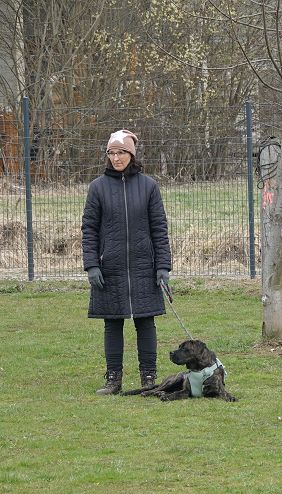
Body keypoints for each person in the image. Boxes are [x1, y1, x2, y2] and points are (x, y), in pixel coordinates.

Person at [81, 129, 172, 395]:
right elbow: (89, 229)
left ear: (131, 155)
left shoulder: (149, 186)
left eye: (121, 152)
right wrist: (92, 265)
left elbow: (159, 229)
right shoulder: (97, 188)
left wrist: (163, 266)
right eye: (111, 152)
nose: (116, 157)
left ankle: (149, 377)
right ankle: (113, 379)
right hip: (110, 267)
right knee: (112, 322)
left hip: (144, 266)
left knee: (145, 322)